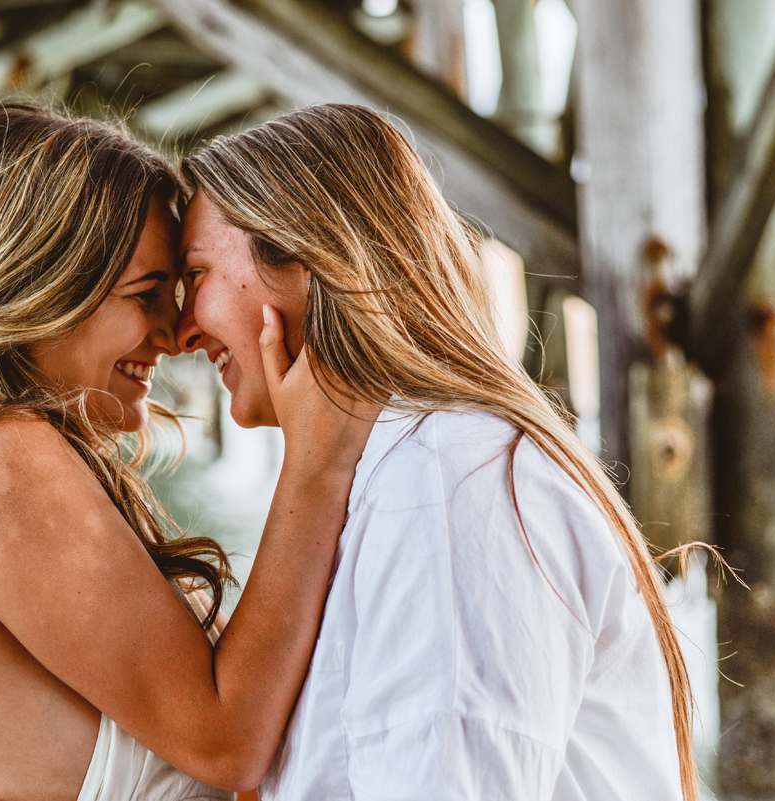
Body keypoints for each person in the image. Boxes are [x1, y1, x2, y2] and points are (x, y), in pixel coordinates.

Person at [0, 103, 374, 801]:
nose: (175, 332)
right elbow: (227, 741)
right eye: (146, 294)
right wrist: (316, 461)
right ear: (36, 288)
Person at [175, 103, 699, 801]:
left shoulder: (444, 484)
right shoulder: (410, 467)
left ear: (303, 256)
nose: (181, 328)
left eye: (197, 273)